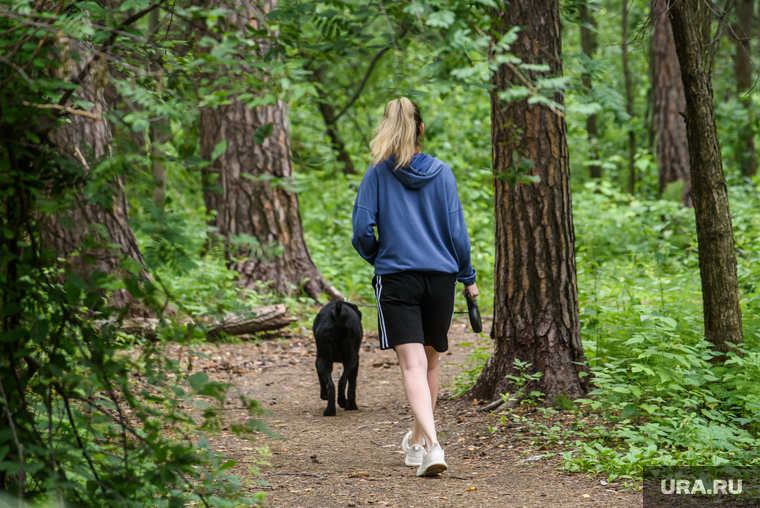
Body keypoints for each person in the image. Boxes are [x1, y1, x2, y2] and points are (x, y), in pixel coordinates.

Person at [351, 97, 479, 477]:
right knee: (431, 360)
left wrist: (380, 255)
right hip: (441, 278)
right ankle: (418, 442)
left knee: (413, 364)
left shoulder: (376, 173)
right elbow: (458, 234)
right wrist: (467, 278)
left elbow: (361, 231)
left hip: (398, 278)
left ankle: (434, 445)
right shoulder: (442, 172)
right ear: (421, 129)